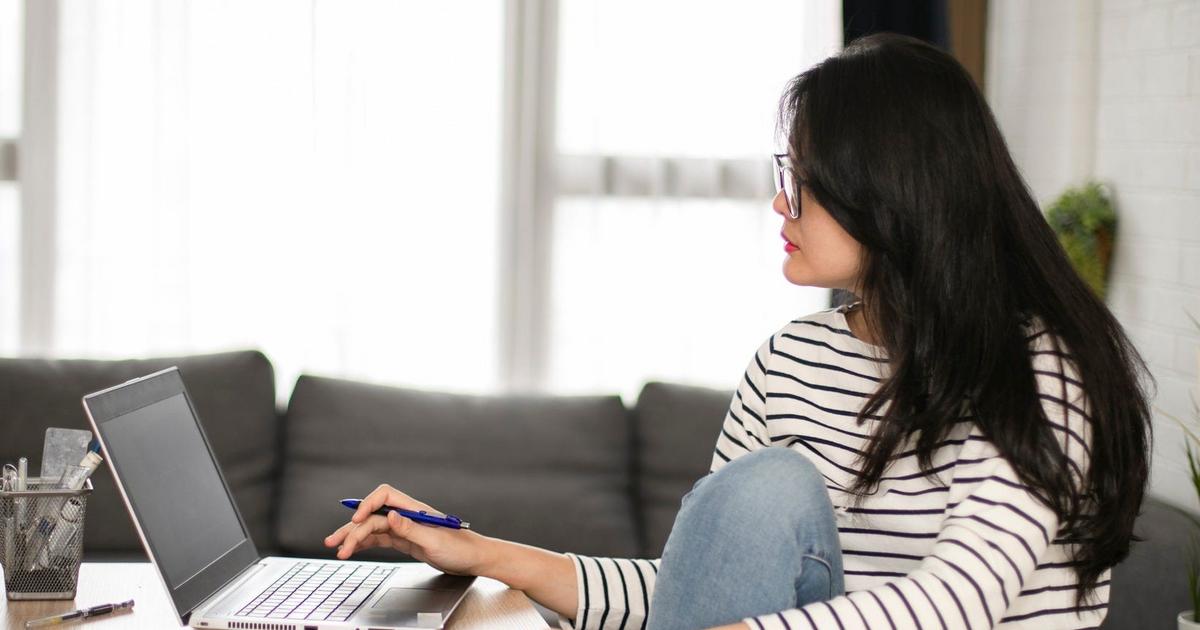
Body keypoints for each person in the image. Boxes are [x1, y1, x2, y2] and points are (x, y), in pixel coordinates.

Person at [324, 33, 1151, 630]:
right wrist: (479, 553)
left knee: (767, 485)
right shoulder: (790, 360)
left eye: (803, 180)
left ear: (892, 189)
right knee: (765, 492)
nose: (780, 206)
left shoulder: (1042, 368)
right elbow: (693, 591)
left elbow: (959, 600)